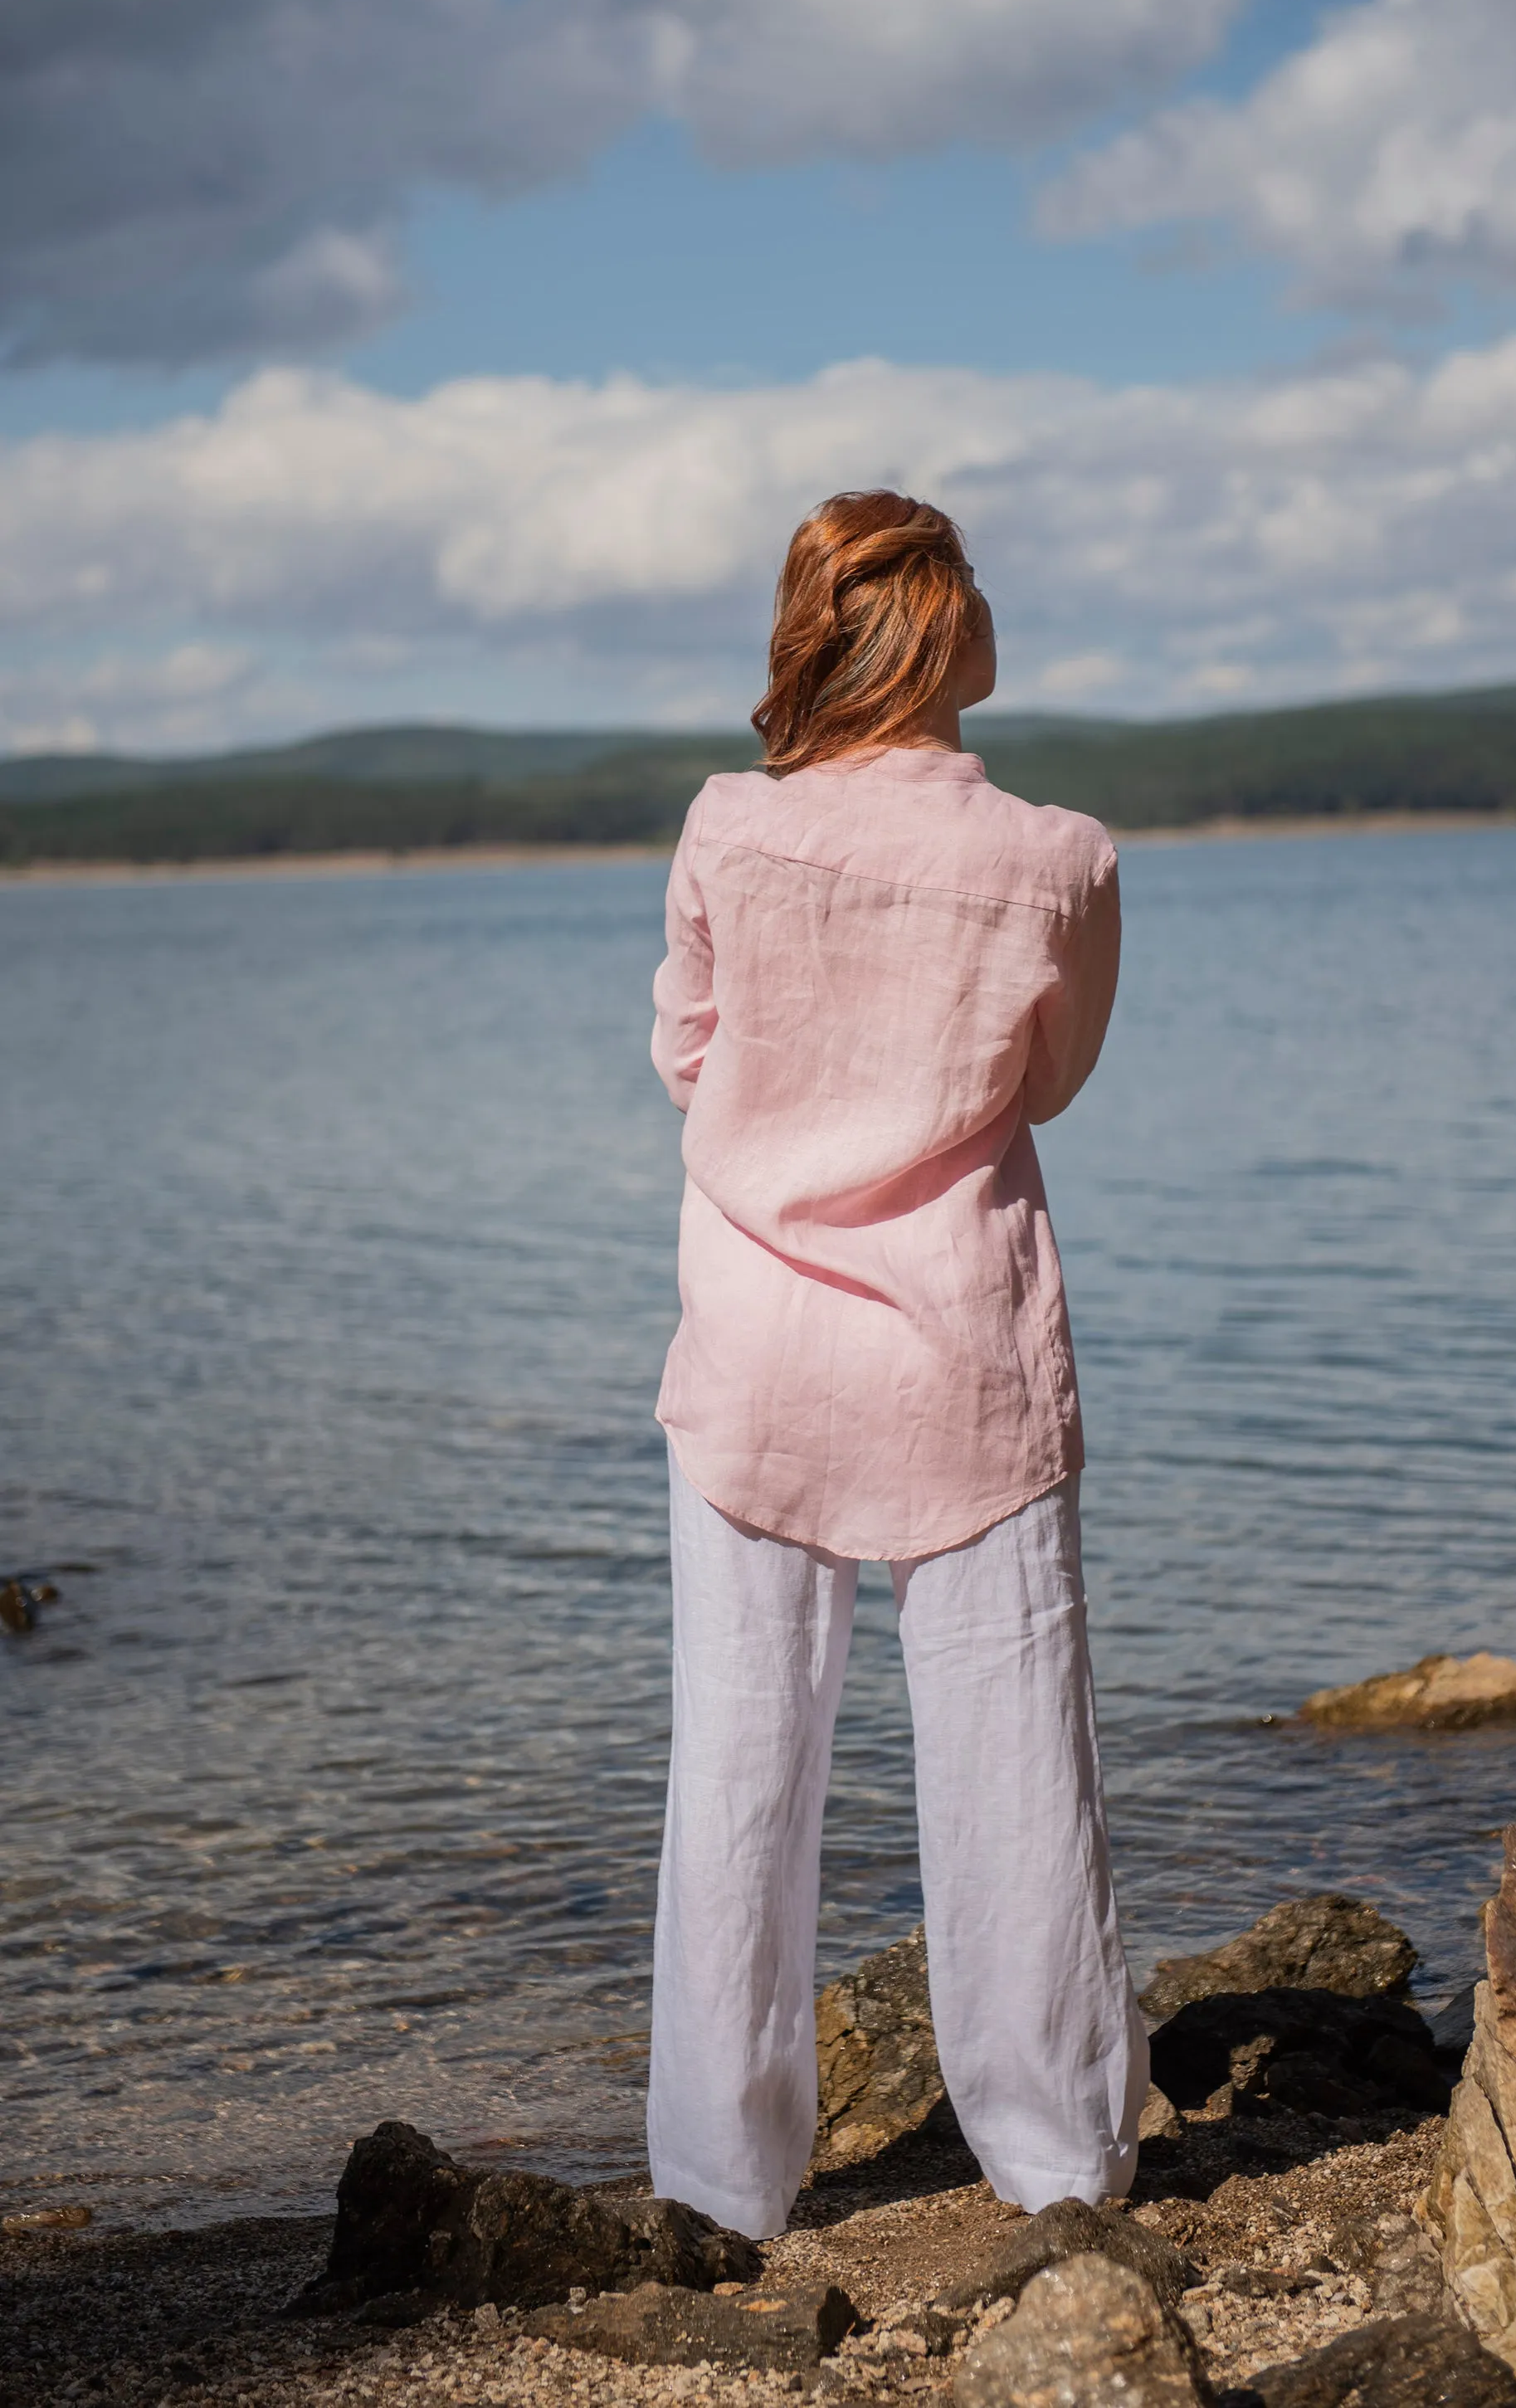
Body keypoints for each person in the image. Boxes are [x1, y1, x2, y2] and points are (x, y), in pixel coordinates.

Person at [646, 489, 1148, 2243]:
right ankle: (1060, 2162)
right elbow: (1053, 1077)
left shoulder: (727, 826)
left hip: (760, 1347)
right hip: (965, 1348)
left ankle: (721, 2180)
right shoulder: (1060, 859)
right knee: (1016, 1770)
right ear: (944, 632)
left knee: (740, 1766)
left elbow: (685, 1050)